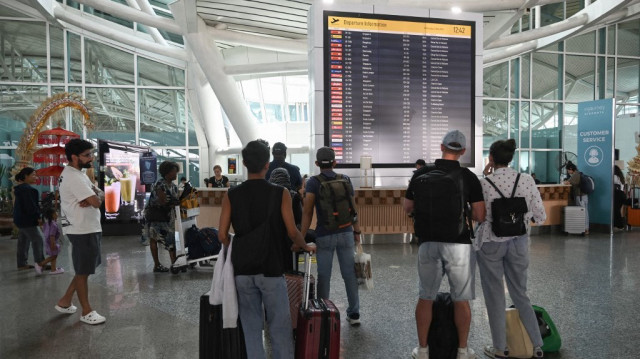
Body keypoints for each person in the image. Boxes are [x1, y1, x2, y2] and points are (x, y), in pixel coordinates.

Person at [218, 140, 314, 359]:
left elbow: (222, 235)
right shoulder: (281, 193)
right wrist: (305, 245)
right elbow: (292, 231)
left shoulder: (231, 194)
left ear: (244, 163)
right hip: (271, 267)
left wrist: (241, 246)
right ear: (267, 164)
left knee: (251, 329)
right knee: (279, 328)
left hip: (242, 269)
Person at [404, 130, 486, 359]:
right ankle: (462, 350)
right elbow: (480, 215)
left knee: (426, 296)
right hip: (459, 244)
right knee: (461, 298)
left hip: (427, 243)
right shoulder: (468, 177)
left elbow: (407, 207)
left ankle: (422, 350)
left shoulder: (421, 173)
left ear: (441, 147)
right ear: (463, 151)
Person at [475, 139, 546, 359]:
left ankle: (500, 348)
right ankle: (537, 346)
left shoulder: (483, 183)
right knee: (520, 293)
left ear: (491, 158)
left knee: (495, 296)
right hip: (519, 243)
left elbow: (477, 216)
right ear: (511, 158)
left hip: (490, 243)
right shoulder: (526, 180)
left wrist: (486, 173)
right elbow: (541, 217)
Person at [300, 146, 362, 326]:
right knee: (349, 275)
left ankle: (323, 312)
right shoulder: (346, 179)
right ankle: (354, 314)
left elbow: (307, 212)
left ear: (317, 163)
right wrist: (356, 231)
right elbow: (353, 209)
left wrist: (301, 236)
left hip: (324, 235)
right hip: (346, 232)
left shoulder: (313, 182)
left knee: (324, 275)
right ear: (335, 162)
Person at [56, 138, 106, 325]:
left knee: (83, 270)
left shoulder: (79, 174)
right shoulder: (74, 177)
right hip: (82, 229)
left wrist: (95, 195)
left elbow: (99, 193)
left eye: (91, 154)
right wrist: (94, 197)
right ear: (74, 157)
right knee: (83, 271)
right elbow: (98, 202)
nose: (91, 158)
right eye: (87, 155)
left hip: (86, 227)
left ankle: (65, 301)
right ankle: (86, 311)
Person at [144, 161, 180, 272]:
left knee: (170, 239)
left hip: (167, 216)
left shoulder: (173, 186)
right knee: (154, 238)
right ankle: (157, 264)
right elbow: (163, 201)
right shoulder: (160, 184)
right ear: (167, 173)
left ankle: (173, 263)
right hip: (157, 215)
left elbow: (174, 200)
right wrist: (176, 202)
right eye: (174, 172)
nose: (176, 174)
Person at [268, 167, 303, 272]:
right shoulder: (294, 195)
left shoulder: (267, 195)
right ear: (288, 178)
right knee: (290, 270)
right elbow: (299, 220)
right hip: (289, 240)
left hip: (270, 239)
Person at [13, 167, 45, 270]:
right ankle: (40, 264)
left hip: (20, 219)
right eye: (33, 175)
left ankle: (22, 264)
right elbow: (31, 207)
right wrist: (38, 217)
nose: (36, 177)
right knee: (38, 240)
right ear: (26, 176)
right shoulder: (29, 190)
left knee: (23, 241)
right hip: (27, 220)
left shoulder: (20, 189)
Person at [36, 207, 64, 275]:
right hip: (51, 242)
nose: (57, 213)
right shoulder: (53, 225)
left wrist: (40, 225)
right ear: (52, 215)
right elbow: (52, 235)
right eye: (55, 212)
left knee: (53, 255)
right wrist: (53, 244)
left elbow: (44, 231)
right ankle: (40, 264)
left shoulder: (47, 223)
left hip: (48, 242)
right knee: (53, 256)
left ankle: (53, 269)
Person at [563, 161, 589, 234]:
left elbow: (567, 182)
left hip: (580, 197)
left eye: (568, 170)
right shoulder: (579, 174)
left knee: (583, 212)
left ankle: (585, 229)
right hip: (584, 196)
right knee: (585, 212)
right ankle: (586, 228)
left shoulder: (575, 175)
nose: (568, 172)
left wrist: (565, 181)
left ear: (571, 169)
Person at [614, 165, 626, 229]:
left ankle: (619, 225)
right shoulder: (620, 177)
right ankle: (619, 225)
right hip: (621, 194)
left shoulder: (615, 177)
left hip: (617, 194)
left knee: (615, 210)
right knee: (617, 210)